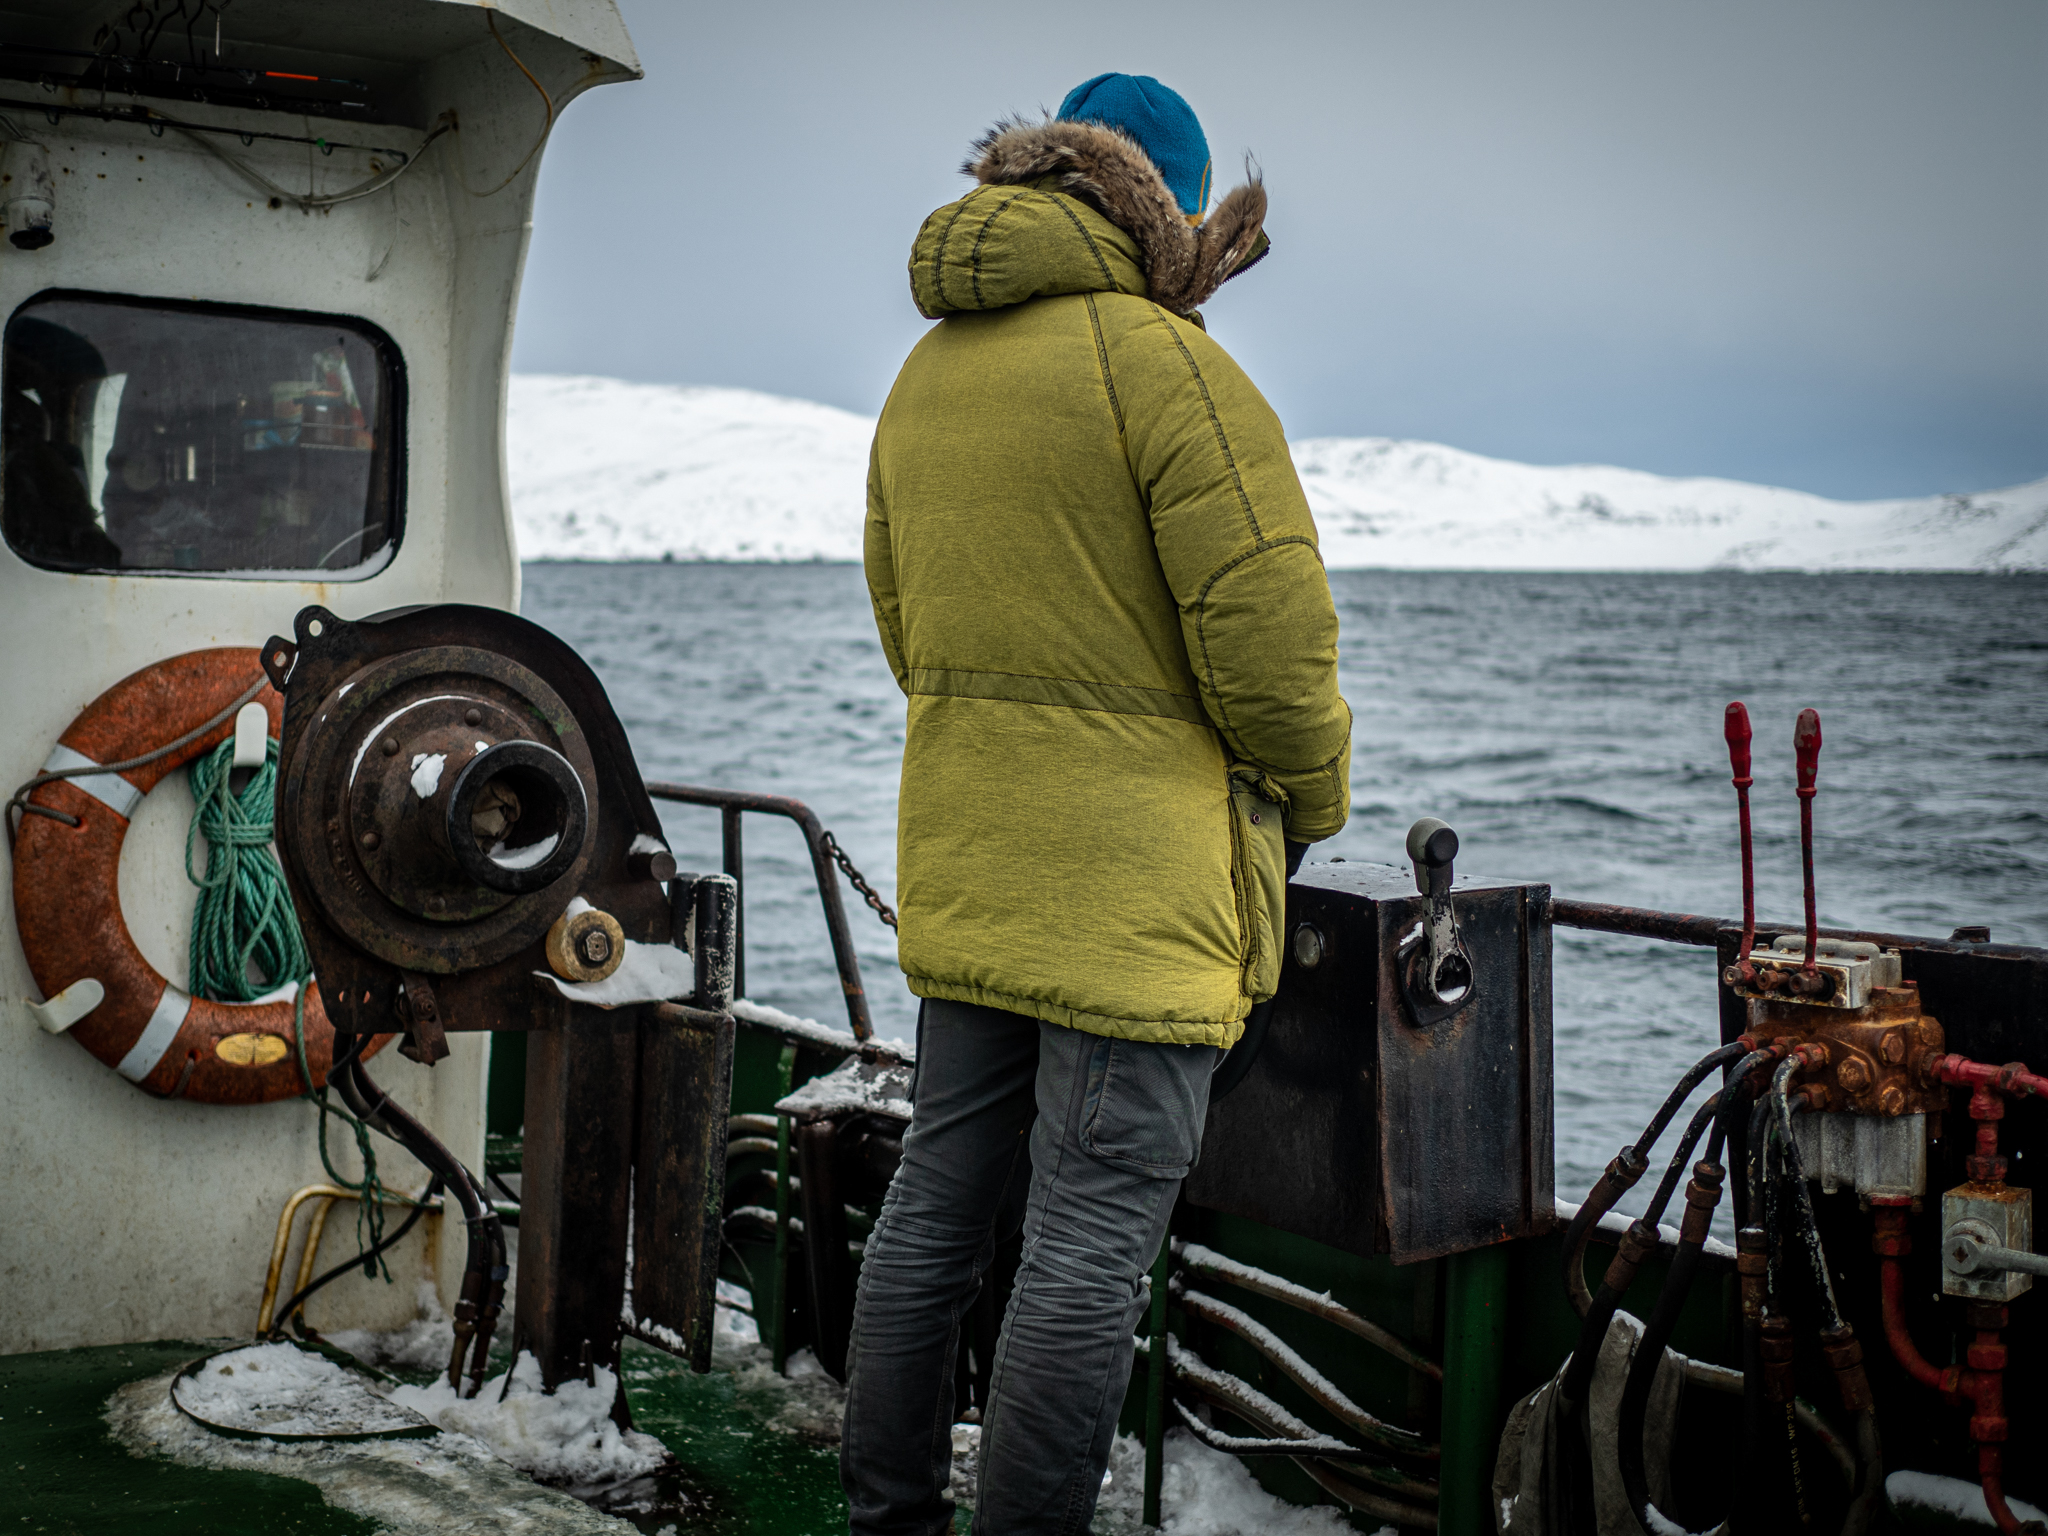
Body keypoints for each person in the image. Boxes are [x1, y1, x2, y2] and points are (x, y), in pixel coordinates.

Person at [846, 72, 1352, 1535]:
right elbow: (1273, 665)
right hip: (1133, 907)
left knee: (935, 1206)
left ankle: (886, 1517)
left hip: (970, 869)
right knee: (1084, 1247)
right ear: (1174, 212)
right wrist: (1312, 796)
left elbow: (903, 631)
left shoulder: (926, 372)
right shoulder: (1176, 372)